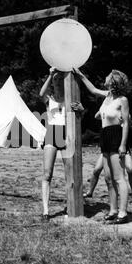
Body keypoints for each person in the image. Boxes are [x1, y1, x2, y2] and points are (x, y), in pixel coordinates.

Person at [73, 68, 130, 224]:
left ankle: (123, 213)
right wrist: (80, 74)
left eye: (108, 78)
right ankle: (113, 210)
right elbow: (92, 89)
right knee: (108, 178)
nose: (105, 80)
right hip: (104, 135)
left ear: (113, 82)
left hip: (116, 136)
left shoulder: (122, 100)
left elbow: (125, 123)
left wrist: (123, 145)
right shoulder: (107, 97)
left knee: (119, 178)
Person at [39, 67, 84, 221]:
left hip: (66, 134)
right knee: (47, 173)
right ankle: (45, 211)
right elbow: (40, 94)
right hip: (51, 133)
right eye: (56, 80)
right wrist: (50, 74)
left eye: (60, 80)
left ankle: (70, 207)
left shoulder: (69, 98)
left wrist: (81, 111)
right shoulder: (49, 98)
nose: (58, 83)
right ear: (52, 82)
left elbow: (79, 116)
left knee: (68, 173)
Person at [83, 112, 132, 199]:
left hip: (121, 148)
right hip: (109, 148)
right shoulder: (108, 111)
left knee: (130, 169)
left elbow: (128, 119)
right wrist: (106, 106)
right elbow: (96, 116)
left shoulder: (124, 113)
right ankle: (90, 191)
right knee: (97, 170)